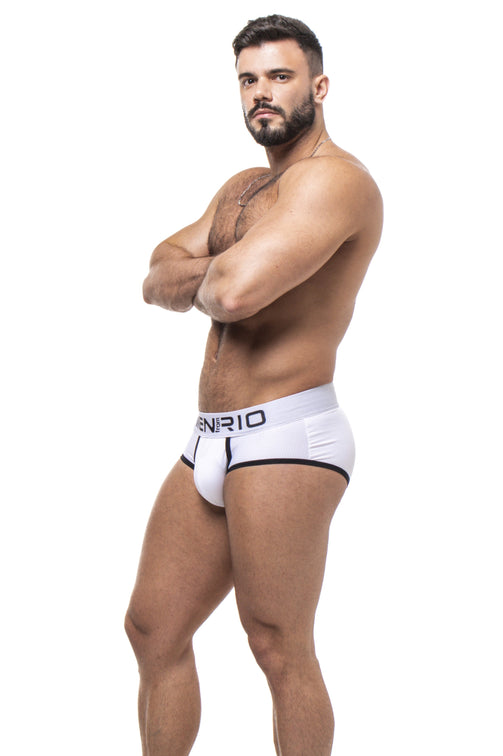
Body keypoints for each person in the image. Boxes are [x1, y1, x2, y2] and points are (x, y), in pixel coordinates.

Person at [125, 14, 383, 756]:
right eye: (248, 80)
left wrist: (214, 271)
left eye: (279, 76)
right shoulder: (244, 188)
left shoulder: (338, 182)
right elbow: (156, 274)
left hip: (289, 433)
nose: (261, 93)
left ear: (318, 87)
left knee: (276, 645)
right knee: (152, 628)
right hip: (210, 437)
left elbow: (231, 294)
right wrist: (220, 267)